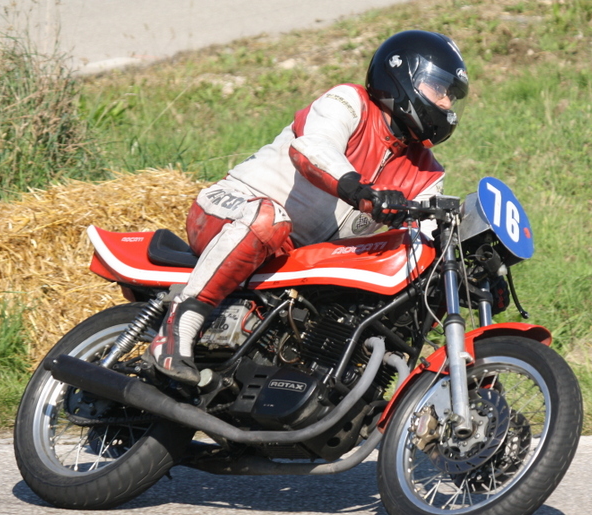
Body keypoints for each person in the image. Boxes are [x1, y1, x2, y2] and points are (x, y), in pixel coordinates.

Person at [144, 29, 470, 385]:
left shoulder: (426, 172)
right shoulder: (350, 102)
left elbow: (424, 237)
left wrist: (467, 270)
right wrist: (360, 190)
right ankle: (178, 327)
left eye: (451, 96)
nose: (446, 104)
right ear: (401, 75)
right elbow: (313, 148)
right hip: (230, 211)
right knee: (268, 219)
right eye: (439, 88)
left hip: (297, 260)